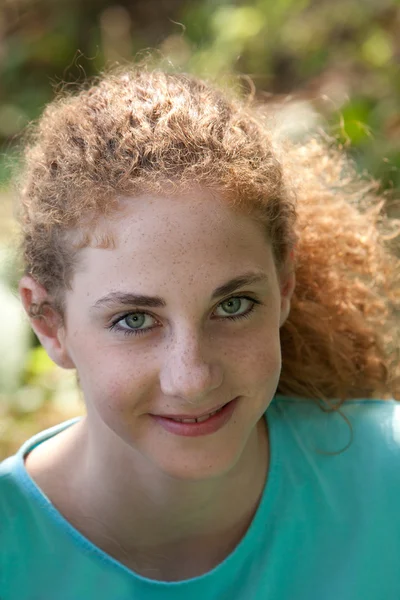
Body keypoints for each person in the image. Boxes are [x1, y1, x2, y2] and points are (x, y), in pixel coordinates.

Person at [0, 66, 399, 600]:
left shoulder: (386, 474)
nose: (192, 378)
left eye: (233, 305)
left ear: (284, 286)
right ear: (49, 322)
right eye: (134, 320)